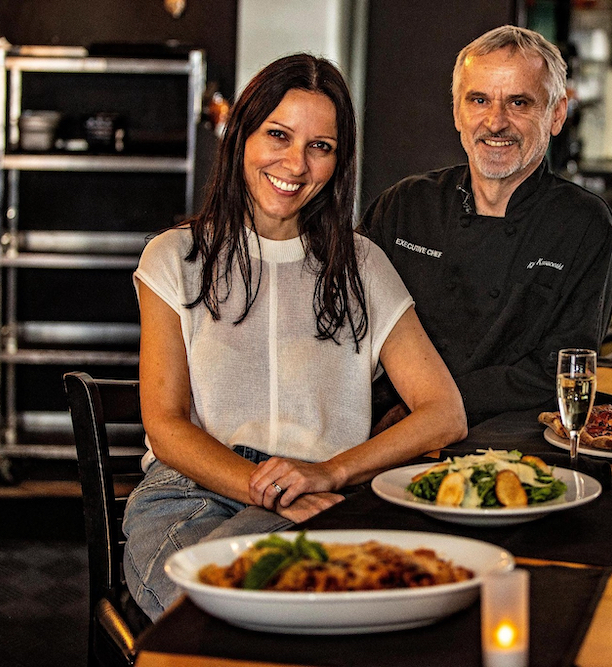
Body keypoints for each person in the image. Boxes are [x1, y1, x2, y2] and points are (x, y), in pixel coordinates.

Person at [123, 53, 467, 620]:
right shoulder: (174, 257)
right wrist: (273, 489)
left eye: (320, 146)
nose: (295, 163)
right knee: (213, 600)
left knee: (258, 603)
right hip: (190, 491)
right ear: (241, 138)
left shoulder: (364, 266)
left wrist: (330, 472)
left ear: (339, 161)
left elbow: (443, 412)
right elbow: (164, 423)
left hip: (317, 496)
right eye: (277, 135)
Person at [360, 25, 612, 427]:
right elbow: (347, 325)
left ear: (556, 115)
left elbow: (557, 371)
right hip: (382, 434)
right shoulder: (403, 206)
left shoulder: (586, 227)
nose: (495, 122)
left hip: (512, 442)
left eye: (519, 102)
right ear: (456, 112)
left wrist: (427, 409)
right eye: (479, 100)